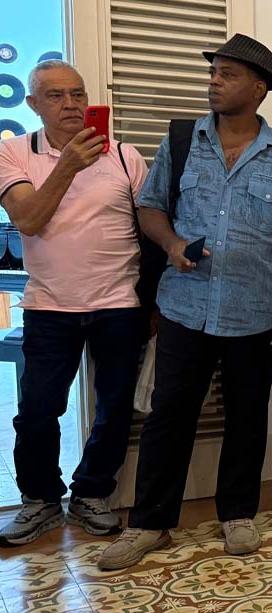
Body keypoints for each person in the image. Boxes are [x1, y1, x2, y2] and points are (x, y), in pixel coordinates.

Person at [97, 34, 272, 570]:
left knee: (247, 415)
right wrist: (172, 244)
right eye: (214, 72)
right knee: (168, 416)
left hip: (256, 310)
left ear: (260, 88)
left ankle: (239, 514)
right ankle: (150, 523)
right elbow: (150, 208)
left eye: (228, 74)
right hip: (185, 306)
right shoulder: (181, 142)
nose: (214, 81)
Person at [0, 60, 148, 545]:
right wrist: (68, 165)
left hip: (119, 305)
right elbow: (28, 220)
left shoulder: (126, 157)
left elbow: (149, 229)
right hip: (49, 307)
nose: (70, 105)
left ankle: (91, 493)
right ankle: (40, 500)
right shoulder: (13, 153)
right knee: (39, 409)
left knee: (115, 408)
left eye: (78, 95)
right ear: (34, 104)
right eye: (57, 96)